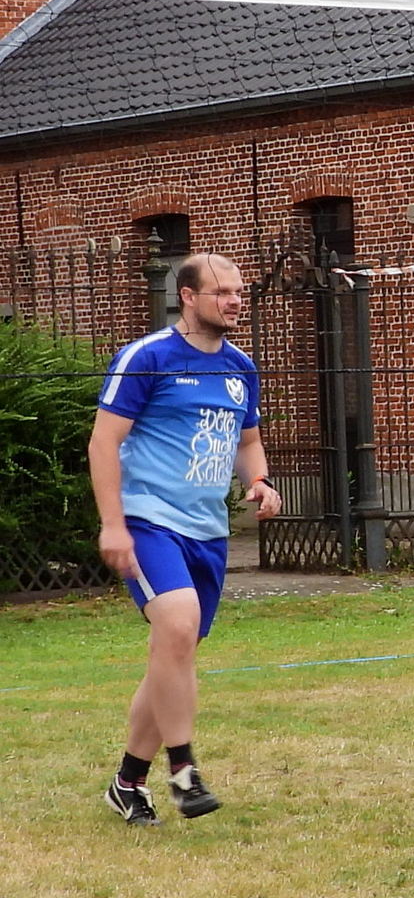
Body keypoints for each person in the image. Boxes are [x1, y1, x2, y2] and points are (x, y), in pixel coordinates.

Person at [91, 253, 282, 826]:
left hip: (208, 531)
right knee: (175, 627)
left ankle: (128, 782)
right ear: (189, 297)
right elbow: (103, 443)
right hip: (149, 520)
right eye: (222, 292)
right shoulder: (146, 358)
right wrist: (113, 524)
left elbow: (247, 440)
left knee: (174, 653)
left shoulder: (240, 367)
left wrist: (259, 480)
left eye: (239, 291)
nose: (235, 300)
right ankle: (183, 770)